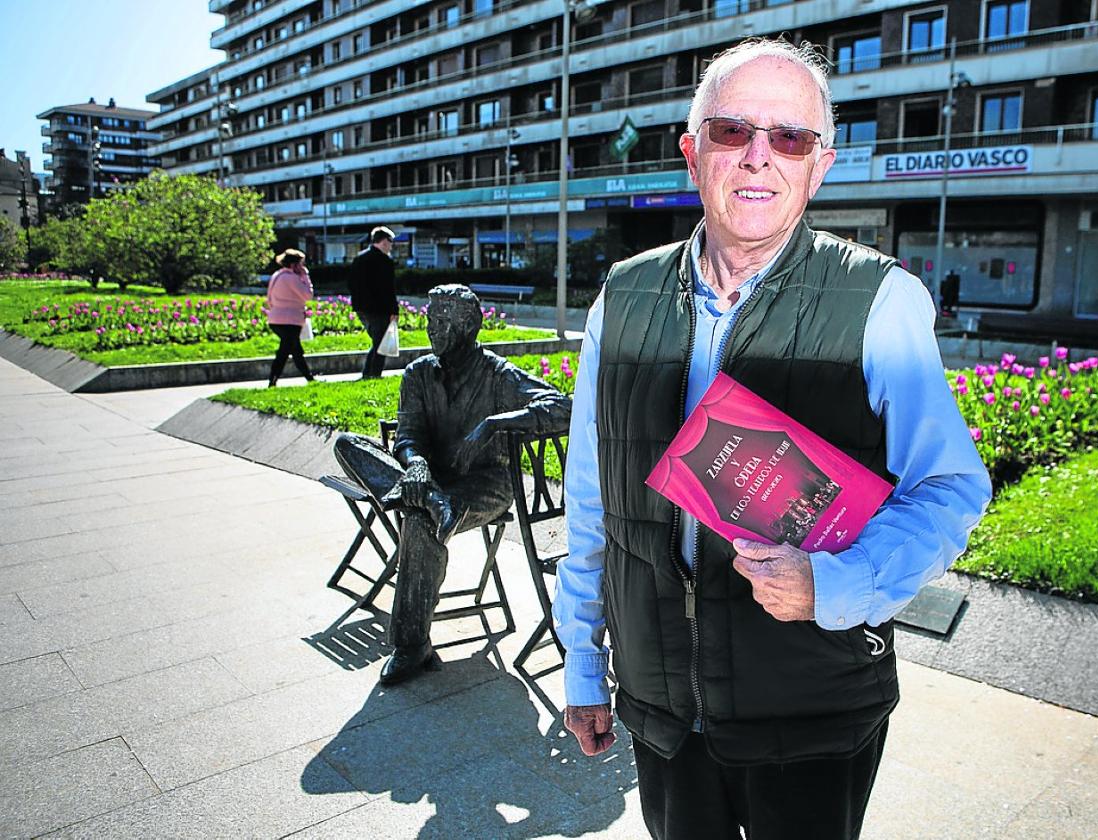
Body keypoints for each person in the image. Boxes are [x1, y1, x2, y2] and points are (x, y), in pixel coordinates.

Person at [552, 38, 992, 840]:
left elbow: (951, 488)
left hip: (813, 709)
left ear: (819, 166)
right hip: (662, 708)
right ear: (692, 154)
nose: (759, 158)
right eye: (731, 132)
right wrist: (584, 664)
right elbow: (590, 502)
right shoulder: (622, 297)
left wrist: (837, 584)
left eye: (789, 138)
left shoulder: (880, 300)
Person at [333, 284, 571, 685]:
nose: (432, 330)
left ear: (470, 326)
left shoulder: (498, 375)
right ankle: (429, 497)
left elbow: (563, 406)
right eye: (430, 320)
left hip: (486, 486)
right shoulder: (419, 373)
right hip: (431, 479)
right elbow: (408, 436)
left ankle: (411, 646)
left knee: (419, 520)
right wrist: (416, 466)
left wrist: (496, 422)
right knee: (347, 444)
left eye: (442, 322)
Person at [349, 226, 399, 378]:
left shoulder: (359, 259)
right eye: (390, 242)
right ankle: (373, 374)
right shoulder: (385, 261)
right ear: (384, 241)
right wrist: (394, 310)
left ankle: (368, 374)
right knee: (381, 343)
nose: (391, 246)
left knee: (378, 340)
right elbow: (388, 288)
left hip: (361, 307)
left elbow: (351, 283)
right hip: (379, 308)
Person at [265, 248, 316, 387]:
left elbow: (269, 298)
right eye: (301, 264)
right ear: (294, 265)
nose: (303, 267)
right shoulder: (292, 278)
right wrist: (305, 276)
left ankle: (309, 378)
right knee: (285, 351)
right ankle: (273, 380)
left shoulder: (277, 275)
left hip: (276, 319)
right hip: (290, 320)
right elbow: (307, 295)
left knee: (295, 350)